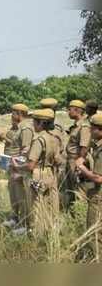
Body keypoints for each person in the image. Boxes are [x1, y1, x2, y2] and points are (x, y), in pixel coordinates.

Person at [12, 109, 61, 236]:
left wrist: (18, 166)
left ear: (40, 123)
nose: (33, 124)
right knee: (49, 205)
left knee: (36, 205)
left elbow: (31, 165)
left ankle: (36, 234)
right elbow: (57, 160)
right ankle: (49, 231)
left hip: (37, 175)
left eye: (35, 122)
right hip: (50, 174)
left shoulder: (39, 140)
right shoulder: (54, 138)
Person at [0, 104, 34, 228]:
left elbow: (25, 150)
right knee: (13, 192)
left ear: (20, 113)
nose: (11, 115)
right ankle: (14, 216)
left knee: (21, 194)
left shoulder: (25, 129)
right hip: (12, 165)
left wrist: (19, 171)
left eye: (13, 113)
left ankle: (24, 223)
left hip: (18, 168)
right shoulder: (18, 127)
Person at [75, 114, 102, 257]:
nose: (90, 130)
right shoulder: (96, 144)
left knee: (94, 233)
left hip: (99, 197)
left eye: (93, 128)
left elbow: (98, 178)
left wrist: (82, 168)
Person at [63, 100, 92, 212]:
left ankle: (80, 213)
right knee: (71, 189)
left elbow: (84, 146)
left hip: (76, 160)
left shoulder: (83, 126)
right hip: (71, 159)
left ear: (77, 110)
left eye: (69, 109)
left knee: (79, 189)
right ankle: (73, 213)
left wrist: (80, 163)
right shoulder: (76, 125)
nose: (68, 112)